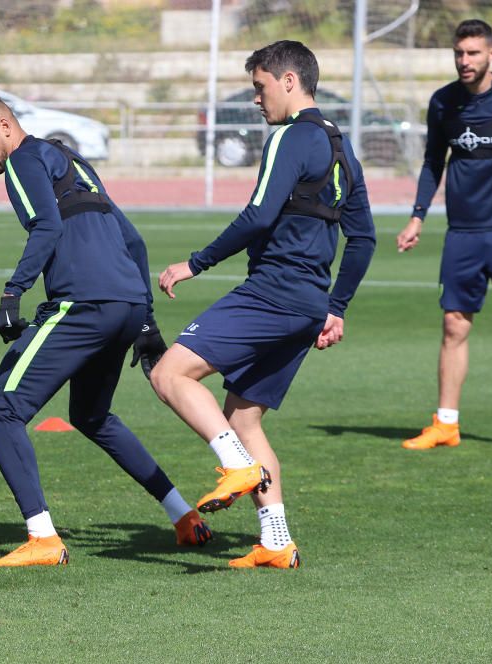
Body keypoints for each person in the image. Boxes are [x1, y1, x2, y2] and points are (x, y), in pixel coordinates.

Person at [0, 88, 213, 568]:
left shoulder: (23, 161)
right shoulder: (71, 160)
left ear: (5, 126)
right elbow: (132, 238)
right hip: (125, 305)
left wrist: (13, 293)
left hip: (83, 304)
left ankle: (43, 538)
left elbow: (45, 228)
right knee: (92, 416)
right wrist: (147, 318)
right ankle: (182, 515)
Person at [151, 41, 376, 569]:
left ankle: (235, 466)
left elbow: (256, 216)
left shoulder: (290, 136)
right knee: (245, 420)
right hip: (306, 304)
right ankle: (276, 542)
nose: (257, 99)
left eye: (260, 87)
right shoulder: (344, 150)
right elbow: (363, 240)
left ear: (289, 82)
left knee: (169, 375)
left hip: (272, 292)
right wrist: (334, 306)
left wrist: (195, 263)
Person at [397, 20, 492, 450]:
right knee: (454, 325)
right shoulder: (443, 103)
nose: (464, 61)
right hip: (464, 234)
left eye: (473, 53)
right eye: (459, 53)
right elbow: (434, 161)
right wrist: (417, 217)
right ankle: (446, 424)